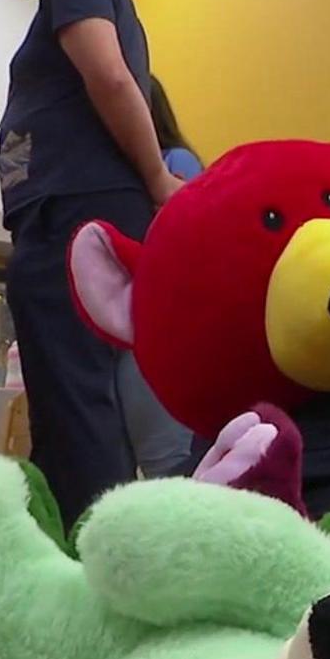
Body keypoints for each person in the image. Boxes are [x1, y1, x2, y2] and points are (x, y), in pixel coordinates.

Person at [0, 0, 185, 524]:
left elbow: (108, 76)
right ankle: (84, 553)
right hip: (67, 213)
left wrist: (158, 177)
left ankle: (89, 560)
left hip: (70, 214)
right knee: (73, 403)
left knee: (76, 408)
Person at [114, 74, 198, 478]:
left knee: (167, 462)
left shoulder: (175, 163)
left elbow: (189, 237)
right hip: (131, 323)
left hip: (162, 326)